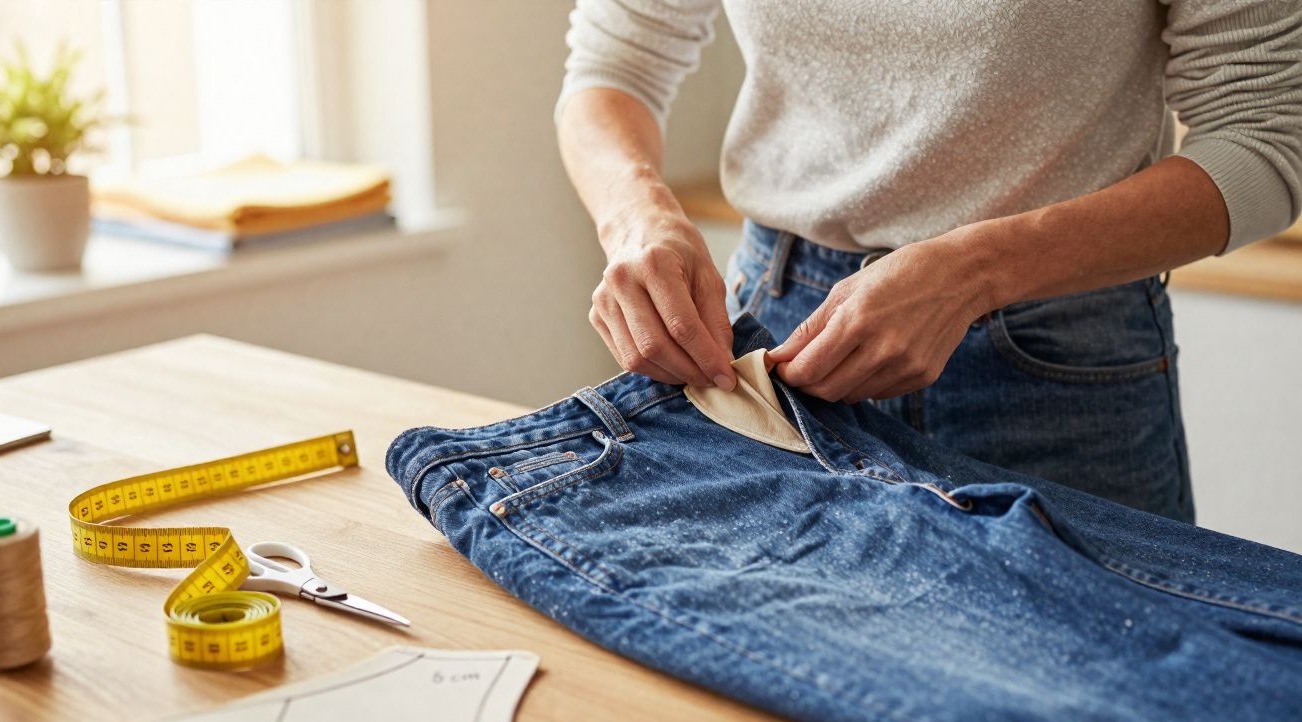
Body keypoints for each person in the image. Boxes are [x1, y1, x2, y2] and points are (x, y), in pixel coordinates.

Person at [554, 1, 1302, 524]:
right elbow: (610, 67)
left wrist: (973, 272)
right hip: (776, 332)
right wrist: (636, 220)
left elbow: (1266, 140)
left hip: (1056, 357)